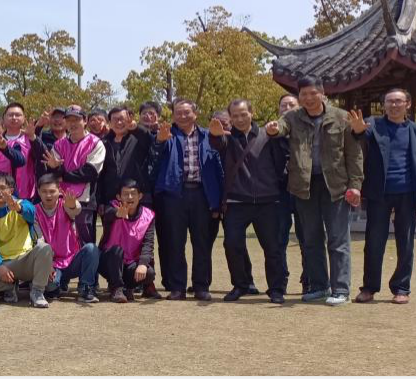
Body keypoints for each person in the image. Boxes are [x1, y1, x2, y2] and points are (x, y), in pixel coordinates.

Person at [266, 76, 364, 306]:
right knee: (311, 239)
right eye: (304, 94)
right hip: (304, 186)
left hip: (335, 185)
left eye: (313, 93)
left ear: (322, 94)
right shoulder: (293, 117)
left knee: (338, 239)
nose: (308, 98)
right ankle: (320, 286)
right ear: (299, 96)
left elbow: (354, 154)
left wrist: (355, 185)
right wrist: (273, 129)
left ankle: (341, 289)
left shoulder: (341, 117)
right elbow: (281, 127)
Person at [350, 89, 416, 305]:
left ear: (408, 104)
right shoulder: (373, 125)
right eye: (389, 101)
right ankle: (369, 287)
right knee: (374, 242)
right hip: (379, 193)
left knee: (406, 243)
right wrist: (357, 131)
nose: (394, 105)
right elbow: (360, 135)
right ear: (384, 105)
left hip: (408, 192)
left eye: (398, 101)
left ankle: (401, 288)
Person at [209, 100, 288, 304]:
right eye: (235, 115)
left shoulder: (267, 135)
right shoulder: (227, 139)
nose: (240, 119)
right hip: (237, 201)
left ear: (252, 113)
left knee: (272, 248)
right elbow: (217, 145)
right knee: (232, 243)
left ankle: (276, 289)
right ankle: (241, 284)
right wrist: (215, 135)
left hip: (267, 200)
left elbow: (281, 161)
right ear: (230, 118)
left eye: (243, 114)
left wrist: (276, 138)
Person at [152, 98, 223, 301]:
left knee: (202, 243)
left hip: (201, 194)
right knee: (175, 243)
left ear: (195, 114)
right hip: (175, 195)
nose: (182, 116)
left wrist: (217, 201)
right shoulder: (167, 135)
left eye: (186, 112)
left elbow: (219, 168)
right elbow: (153, 159)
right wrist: (159, 142)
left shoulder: (208, 136)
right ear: (173, 115)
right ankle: (177, 287)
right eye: (178, 113)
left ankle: (201, 286)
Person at [0, 172, 55, 308]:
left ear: (11, 190)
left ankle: (37, 292)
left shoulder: (23, 204)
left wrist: (18, 208)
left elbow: (31, 213)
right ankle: (10, 286)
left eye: (2, 188)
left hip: (27, 258)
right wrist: (0, 266)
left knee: (45, 249)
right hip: (6, 263)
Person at [43, 108, 105, 244]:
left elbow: (89, 173)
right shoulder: (59, 144)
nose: (73, 123)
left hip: (85, 201)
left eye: (76, 120)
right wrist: (55, 168)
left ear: (85, 121)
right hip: (61, 200)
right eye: (69, 120)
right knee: (63, 240)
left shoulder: (96, 143)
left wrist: (62, 175)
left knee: (85, 242)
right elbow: (53, 172)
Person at [34, 174, 99, 303]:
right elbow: (39, 240)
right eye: (44, 191)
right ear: (38, 192)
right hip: (52, 264)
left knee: (91, 249)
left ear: (59, 191)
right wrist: (47, 264)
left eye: (52, 191)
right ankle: (59, 284)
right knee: (50, 288)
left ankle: (85, 288)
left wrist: (73, 205)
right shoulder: (35, 211)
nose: (48, 195)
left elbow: (76, 210)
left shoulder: (65, 204)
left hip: (71, 260)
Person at [99, 181, 159, 303]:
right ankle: (116, 288)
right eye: (125, 194)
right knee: (116, 251)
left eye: (133, 193)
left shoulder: (148, 216)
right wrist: (116, 214)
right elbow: (107, 214)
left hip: (130, 264)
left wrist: (143, 264)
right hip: (109, 261)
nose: (130, 197)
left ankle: (128, 288)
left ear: (140, 196)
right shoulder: (112, 207)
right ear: (119, 197)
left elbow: (148, 244)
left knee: (149, 273)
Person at [276, 93, 307, 292]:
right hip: (278, 192)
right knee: (279, 239)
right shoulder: (271, 132)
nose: (287, 108)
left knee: (307, 238)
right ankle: (280, 281)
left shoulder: (307, 131)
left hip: (303, 190)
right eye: (283, 105)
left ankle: (309, 280)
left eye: (291, 105)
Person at [99, 106, 156, 211]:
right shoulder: (104, 143)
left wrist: (136, 128)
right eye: (115, 119)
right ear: (109, 123)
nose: (119, 122)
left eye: (122, 119)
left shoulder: (138, 138)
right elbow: (102, 175)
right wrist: (101, 200)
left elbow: (150, 140)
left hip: (138, 197)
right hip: (112, 200)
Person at [2, 103, 42, 202]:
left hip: (26, 194)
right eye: (10, 115)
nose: (14, 118)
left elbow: (41, 155)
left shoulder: (30, 139)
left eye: (18, 115)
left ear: (24, 119)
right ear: (4, 118)